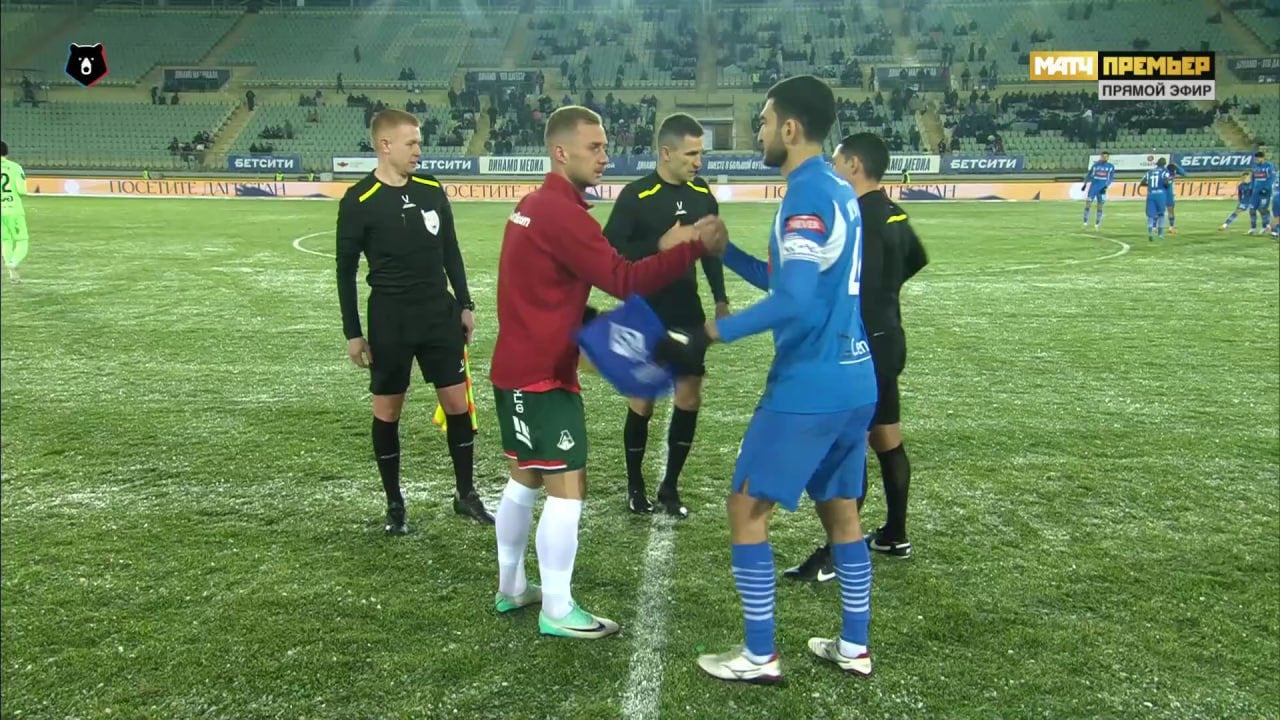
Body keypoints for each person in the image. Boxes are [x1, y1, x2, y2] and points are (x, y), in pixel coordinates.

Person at [489, 105, 725, 639]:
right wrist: (687, 245)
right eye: (594, 147)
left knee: (524, 478)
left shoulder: (531, 206)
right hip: (543, 375)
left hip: (516, 366)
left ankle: (512, 587)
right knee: (568, 487)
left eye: (604, 146)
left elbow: (542, 289)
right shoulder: (562, 214)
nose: (605, 156)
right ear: (561, 152)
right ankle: (556, 609)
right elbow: (623, 278)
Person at [682, 75, 879, 683]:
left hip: (808, 387)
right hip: (855, 380)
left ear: (790, 128)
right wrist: (728, 255)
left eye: (765, 121)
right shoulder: (837, 188)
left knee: (745, 508)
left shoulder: (806, 194)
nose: (759, 131)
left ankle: (759, 655)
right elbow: (793, 278)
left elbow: (794, 300)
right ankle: (854, 646)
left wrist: (715, 331)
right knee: (841, 514)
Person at [336, 109, 491, 536]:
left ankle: (465, 493)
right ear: (385, 145)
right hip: (391, 321)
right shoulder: (359, 200)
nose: (419, 150)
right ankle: (395, 504)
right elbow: (345, 271)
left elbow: (450, 249)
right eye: (412, 143)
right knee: (388, 412)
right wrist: (353, 333)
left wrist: (465, 304)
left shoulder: (430, 188)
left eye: (419, 142)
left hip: (439, 315)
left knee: (458, 404)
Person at [784, 133, 929, 581]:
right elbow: (916, 258)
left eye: (836, 161)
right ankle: (895, 535)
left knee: (848, 446)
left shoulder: (857, 218)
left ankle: (835, 556)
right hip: (890, 336)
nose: (831, 168)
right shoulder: (892, 210)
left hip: (860, 341)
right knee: (886, 437)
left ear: (854, 166)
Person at [603, 113, 730, 518]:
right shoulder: (636, 196)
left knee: (689, 397)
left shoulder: (702, 194)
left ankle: (670, 486)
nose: (698, 162)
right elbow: (609, 253)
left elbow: (709, 252)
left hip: (686, 309)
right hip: (645, 311)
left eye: (701, 153)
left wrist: (721, 299)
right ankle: (635, 485)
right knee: (642, 401)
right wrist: (659, 244)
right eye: (691, 154)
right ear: (666, 152)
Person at [1, 141, 29, 282]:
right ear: (6, 152)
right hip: (14, 209)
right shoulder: (15, 167)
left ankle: (12, 273)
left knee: (5, 241)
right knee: (22, 240)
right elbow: (22, 190)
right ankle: (13, 262)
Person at [1245, 150, 1276, 235]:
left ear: (1262, 158)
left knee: (1262, 209)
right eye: (1255, 159)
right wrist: (1251, 188)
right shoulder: (1255, 167)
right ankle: (1253, 228)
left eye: (1257, 159)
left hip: (1265, 192)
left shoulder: (1269, 166)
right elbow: (1253, 178)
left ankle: (1265, 227)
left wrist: (1266, 188)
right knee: (1252, 209)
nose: (1256, 160)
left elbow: (1272, 178)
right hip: (1255, 192)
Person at [1081, 151, 1115, 229]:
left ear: (1108, 157)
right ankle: (1085, 222)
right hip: (1093, 187)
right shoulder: (1095, 165)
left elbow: (1111, 178)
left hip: (1102, 188)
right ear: (1101, 157)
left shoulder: (1110, 166)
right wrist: (1085, 184)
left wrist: (1106, 186)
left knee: (1100, 206)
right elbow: (1089, 175)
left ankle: (1097, 223)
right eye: (1103, 156)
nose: (1105, 158)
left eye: (1106, 157)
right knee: (1088, 203)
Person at [1144, 158, 1171, 242]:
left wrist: (1150, 186)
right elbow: (1166, 182)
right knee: (1161, 214)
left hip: (1151, 194)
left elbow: (1143, 182)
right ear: (1164, 164)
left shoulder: (1150, 171)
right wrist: (1168, 185)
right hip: (1160, 194)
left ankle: (1150, 232)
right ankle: (1160, 234)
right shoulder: (1165, 171)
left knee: (1150, 215)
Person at [1163, 160, 1187, 234]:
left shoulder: (1167, 171)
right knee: (1170, 210)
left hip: (1164, 193)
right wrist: (1177, 167)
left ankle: (1156, 227)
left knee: (1167, 210)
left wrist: (1177, 167)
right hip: (1167, 193)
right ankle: (1171, 227)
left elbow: (1184, 173)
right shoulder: (1168, 172)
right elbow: (1184, 173)